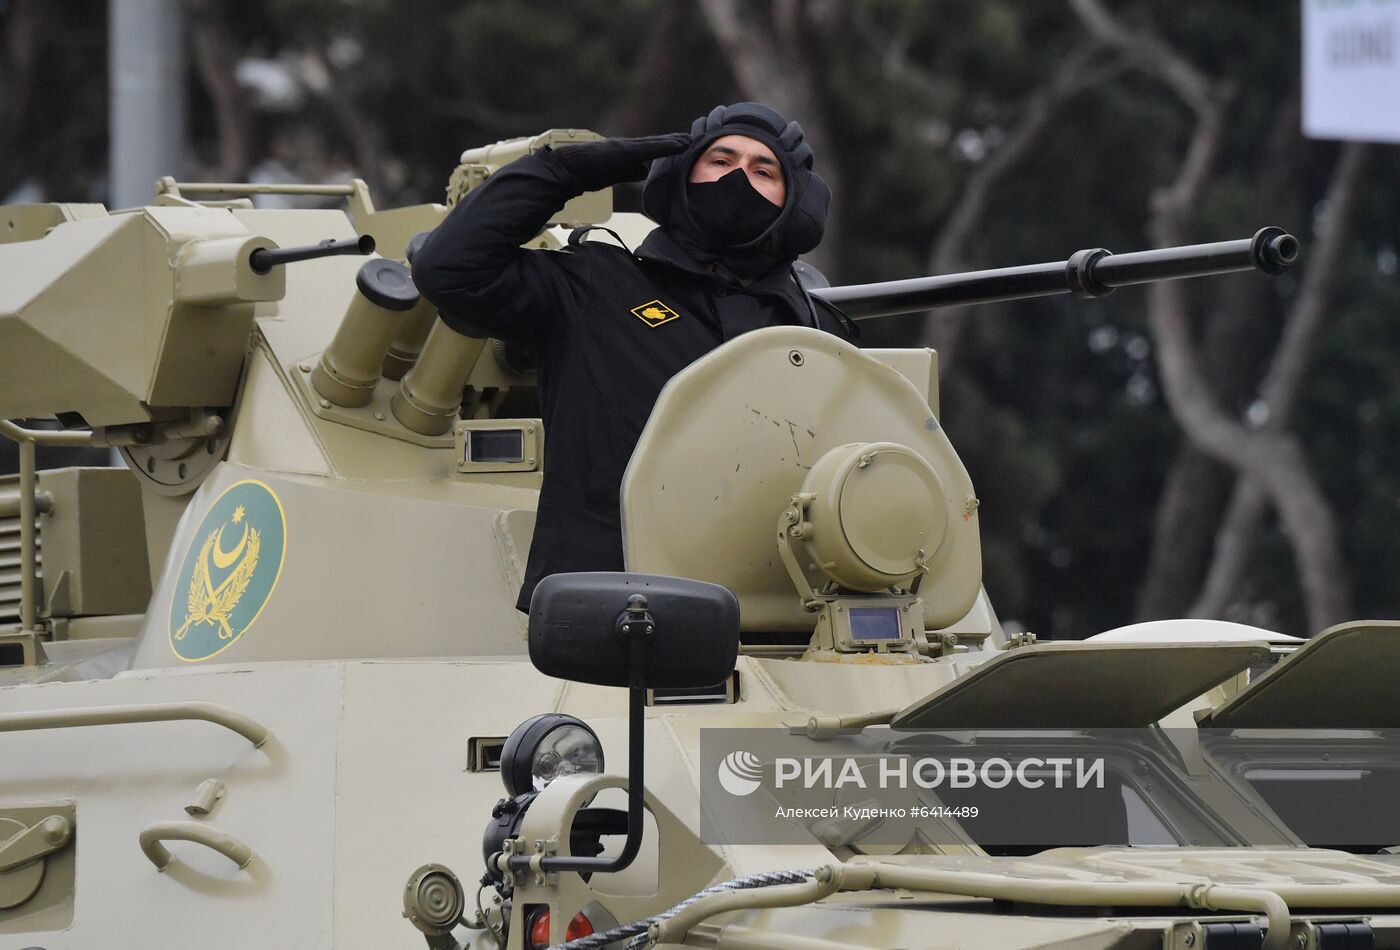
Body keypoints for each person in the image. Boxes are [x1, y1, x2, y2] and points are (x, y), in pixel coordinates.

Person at [411, 102, 853, 612]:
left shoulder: (813, 333)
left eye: (763, 171)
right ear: (682, 175)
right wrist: (564, 171)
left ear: (794, 202)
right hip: (610, 610)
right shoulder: (596, 284)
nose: (737, 180)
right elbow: (449, 270)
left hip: (775, 607)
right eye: (720, 161)